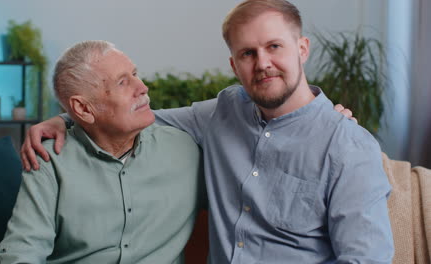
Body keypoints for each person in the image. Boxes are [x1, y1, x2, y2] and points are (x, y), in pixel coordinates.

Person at [22, 0, 394, 263]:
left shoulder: (348, 146)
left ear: (302, 49)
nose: (262, 63)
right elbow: (135, 115)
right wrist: (65, 119)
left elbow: (365, 259)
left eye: (274, 46)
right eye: (248, 53)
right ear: (234, 64)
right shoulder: (222, 111)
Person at [0, 40, 205, 263]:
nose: (142, 87)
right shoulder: (50, 162)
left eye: (135, 74)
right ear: (84, 109)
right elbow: (22, 252)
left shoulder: (186, 150)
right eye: (123, 82)